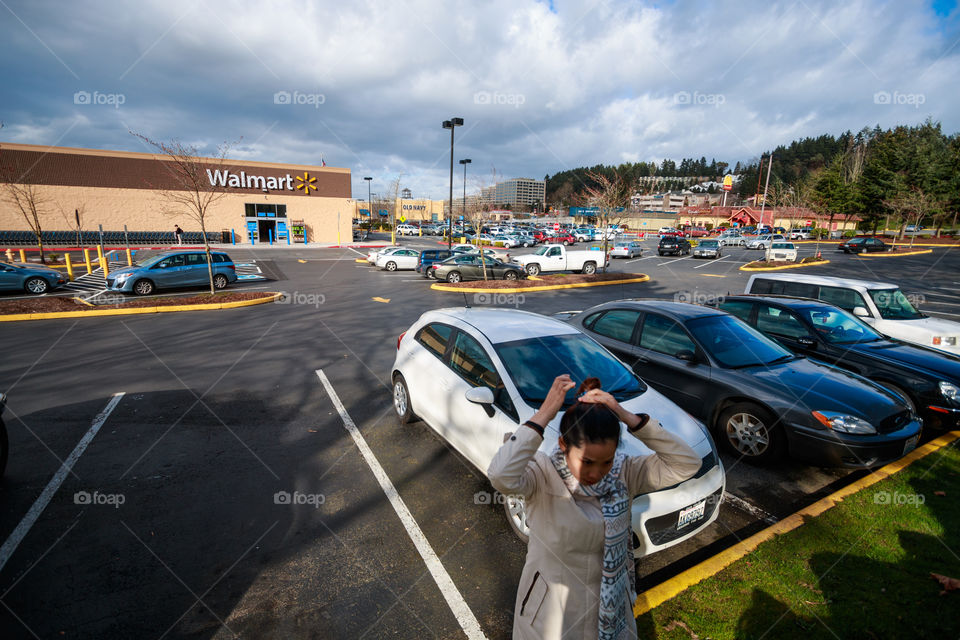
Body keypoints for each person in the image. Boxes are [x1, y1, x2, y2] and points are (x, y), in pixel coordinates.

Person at [488, 375, 701, 640]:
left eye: (606, 462)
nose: (596, 472)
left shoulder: (626, 472)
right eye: (587, 462)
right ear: (564, 445)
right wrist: (545, 413)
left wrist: (627, 416)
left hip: (611, 610)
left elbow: (687, 464)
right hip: (550, 617)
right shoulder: (542, 473)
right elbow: (500, 475)